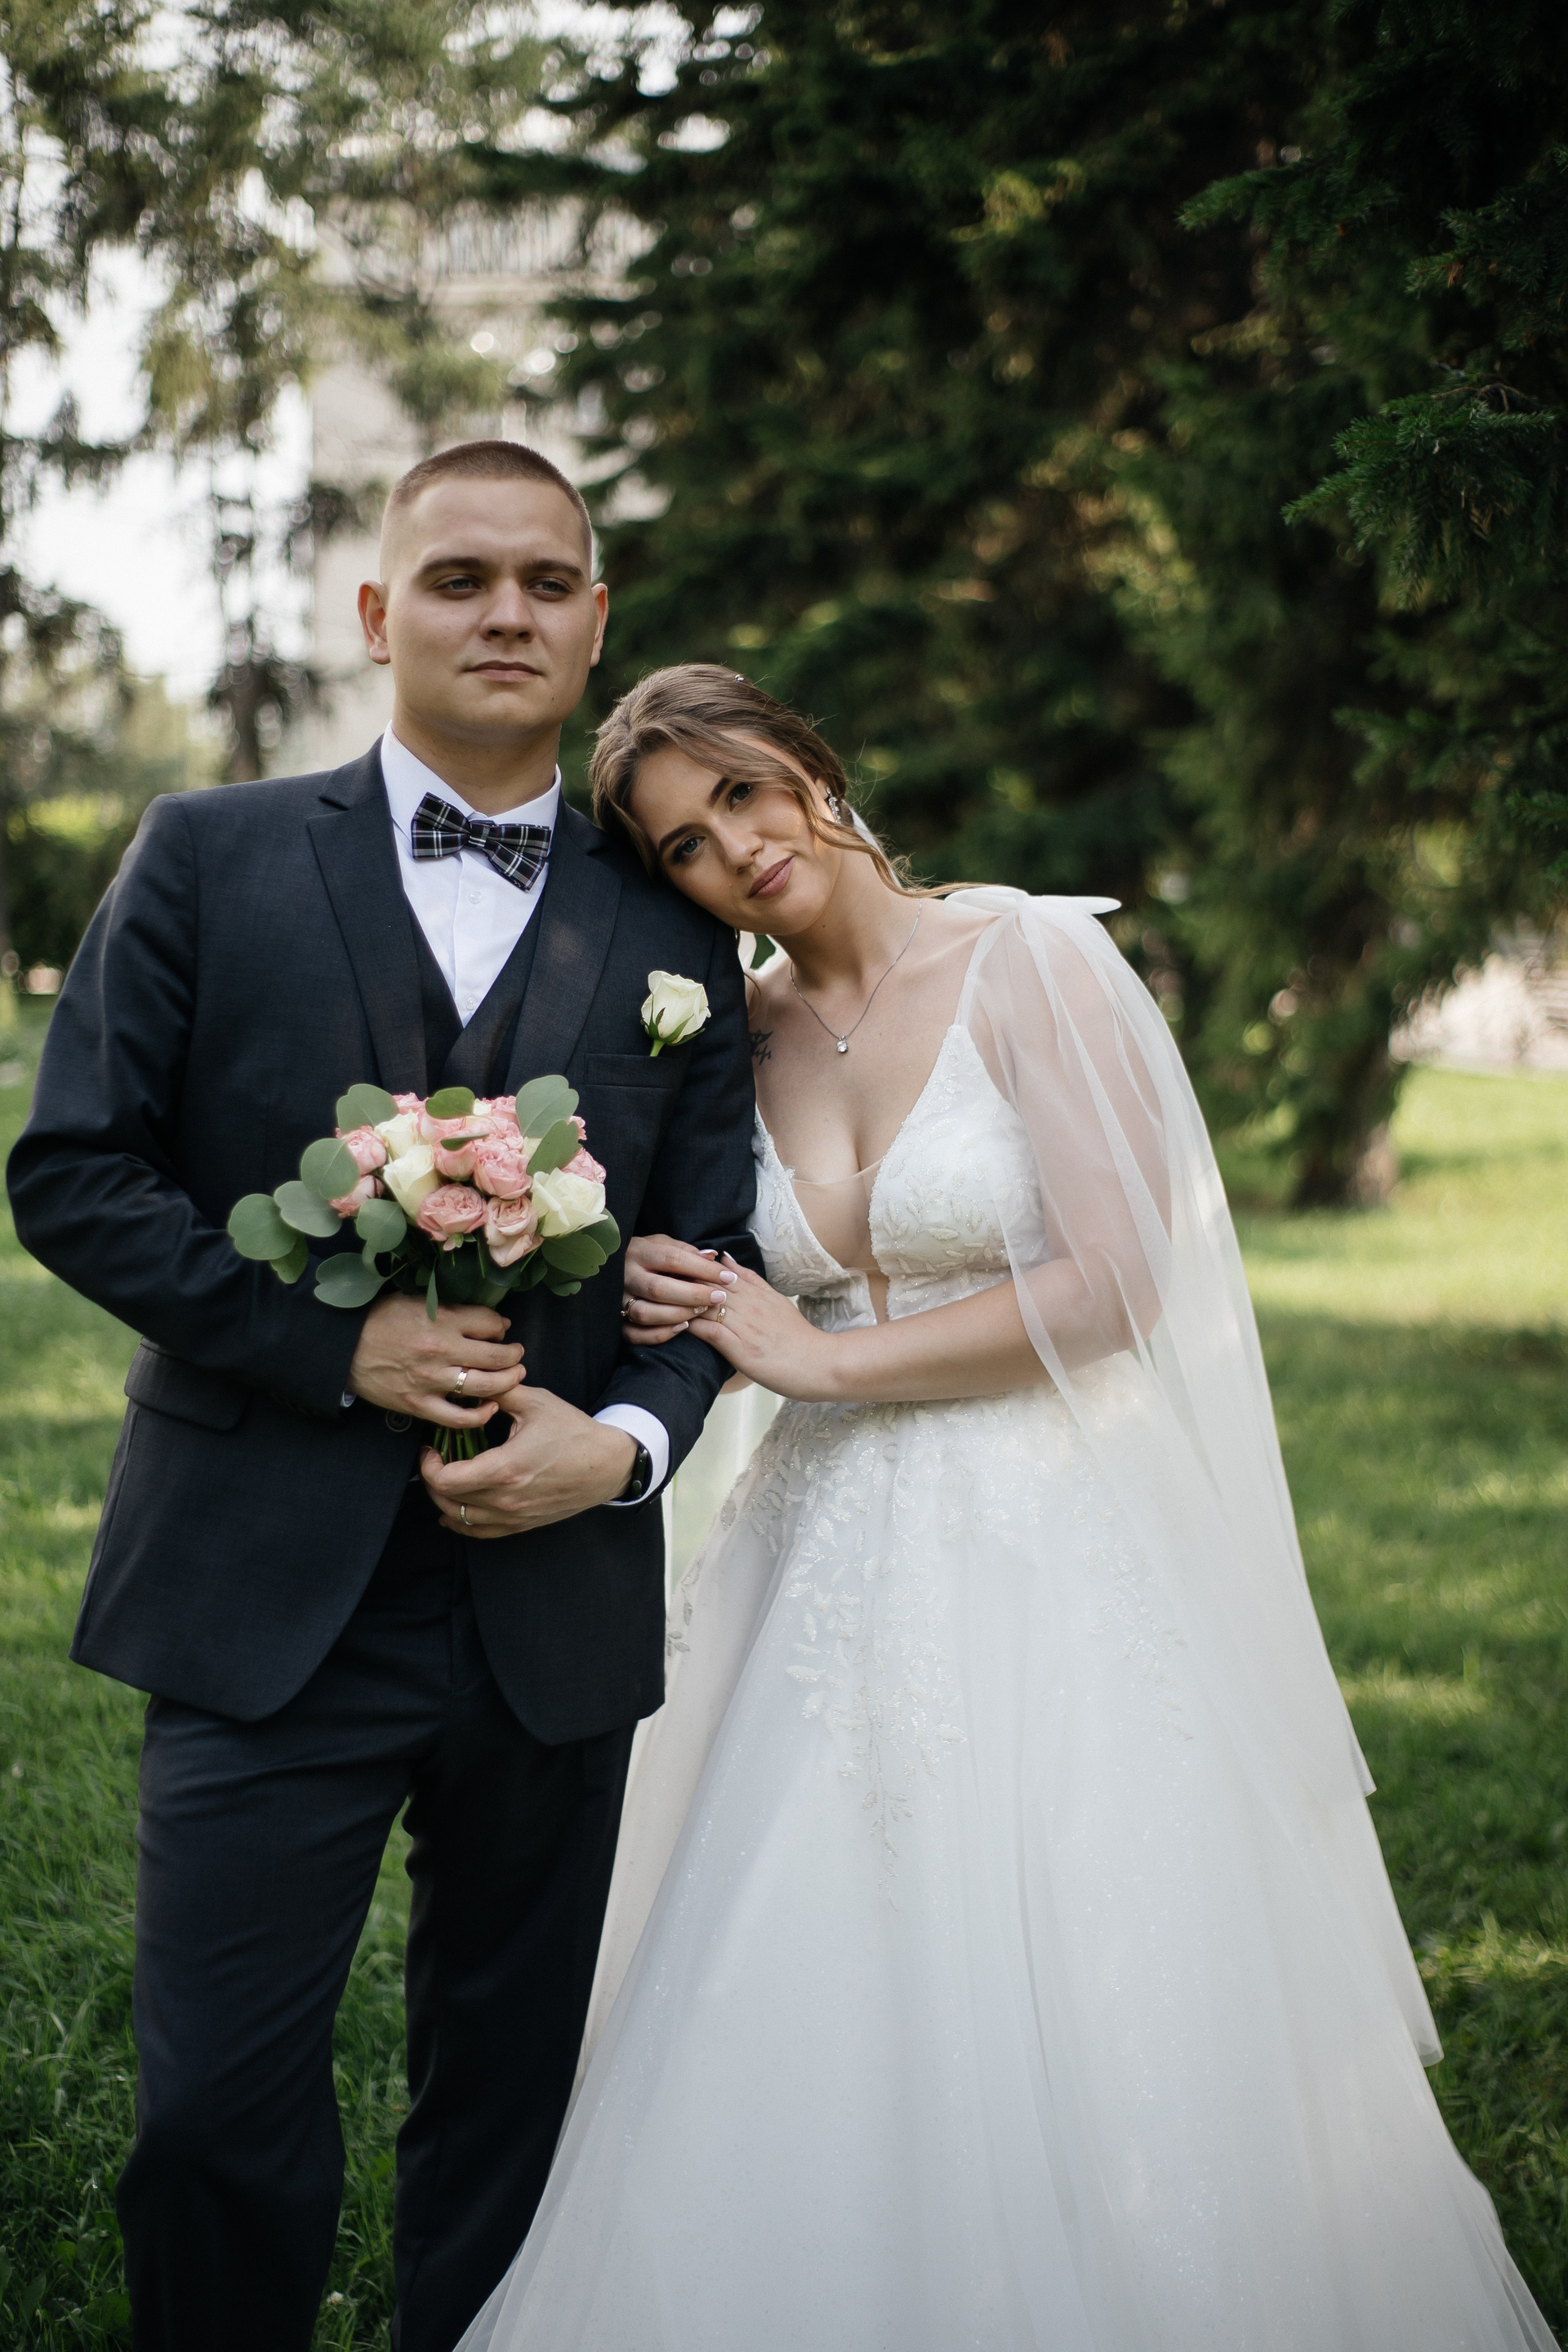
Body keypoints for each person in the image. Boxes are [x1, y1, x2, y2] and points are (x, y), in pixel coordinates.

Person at [459, 663, 1557, 2352]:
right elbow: (729, 1279)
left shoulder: (1028, 957)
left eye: (743, 791)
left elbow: (1118, 1282)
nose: (735, 849)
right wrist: (688, 1303)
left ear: (808, 763)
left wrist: (820, 1364)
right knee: (789, 1958)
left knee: (1100, 1956)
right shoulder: (729, 1038)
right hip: (816, 1563)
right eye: (682, 844)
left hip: (1054, 1531)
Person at [5, 452, 761, 2352]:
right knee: (210, 2118)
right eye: (458, 578)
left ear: (597, 622)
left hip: (555, 1613)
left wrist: (626, 1446)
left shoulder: (679, 925)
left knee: (513, 2118)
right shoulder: (207, 852)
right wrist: (324, 1342)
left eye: (547, 582)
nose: (505, 613)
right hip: (258, 1588)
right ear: (376, 616)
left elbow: (709, 1259)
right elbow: (74, 1172)